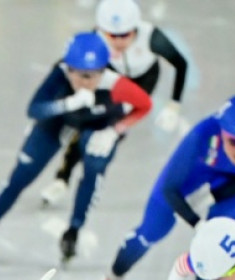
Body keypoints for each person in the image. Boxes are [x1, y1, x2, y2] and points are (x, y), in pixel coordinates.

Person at [74, 94, 235, 280]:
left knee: (218, 250)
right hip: (187, 180)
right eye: (234, 141)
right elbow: (170, 190)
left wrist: (211, 197)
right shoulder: (201, 135)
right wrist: (196, 221)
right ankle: (112, 277)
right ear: (221, 133)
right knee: (151, 230)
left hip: (229, 189)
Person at [0, 31, 151, 263]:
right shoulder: (59, 75)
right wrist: (67, 103)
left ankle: (74, 230)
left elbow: (145, 105)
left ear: (103, 71)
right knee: (21, 176)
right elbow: (34, 109)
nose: (82, 82)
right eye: (76, 74)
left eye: (90, 77)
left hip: (100, 125)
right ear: (67, 67)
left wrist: (115, 131)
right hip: (61, 120)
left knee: (94, 166)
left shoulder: (116, 85)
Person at [40, 0, 190, 206]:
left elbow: (181, 64)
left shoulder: (152, 37)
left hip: (143, 81)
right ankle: (62, 178)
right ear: (102, 30)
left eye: (125, 35)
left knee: (109, 133)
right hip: (112, 76)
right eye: (112, 35)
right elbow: (67, 63)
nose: (119, 41)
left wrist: (174, 104)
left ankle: (91, 178)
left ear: (135, 27)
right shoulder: (96, 38)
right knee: (86, 125)